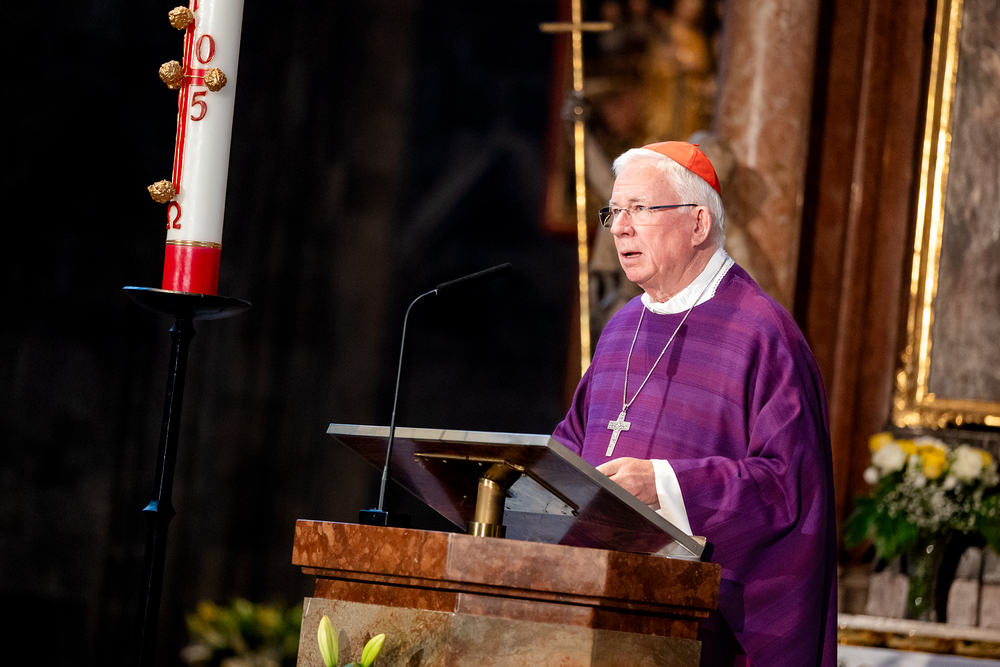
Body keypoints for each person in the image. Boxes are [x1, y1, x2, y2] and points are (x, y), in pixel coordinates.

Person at [553, 141, 837, 667]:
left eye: (639, 208)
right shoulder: (620, 329)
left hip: (702, 633)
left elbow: (788, 489)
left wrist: (663, 485)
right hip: (593, 618)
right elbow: (572, 444)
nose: (619, 228)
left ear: (699, 223)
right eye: (613, 212)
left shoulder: (762, 333)